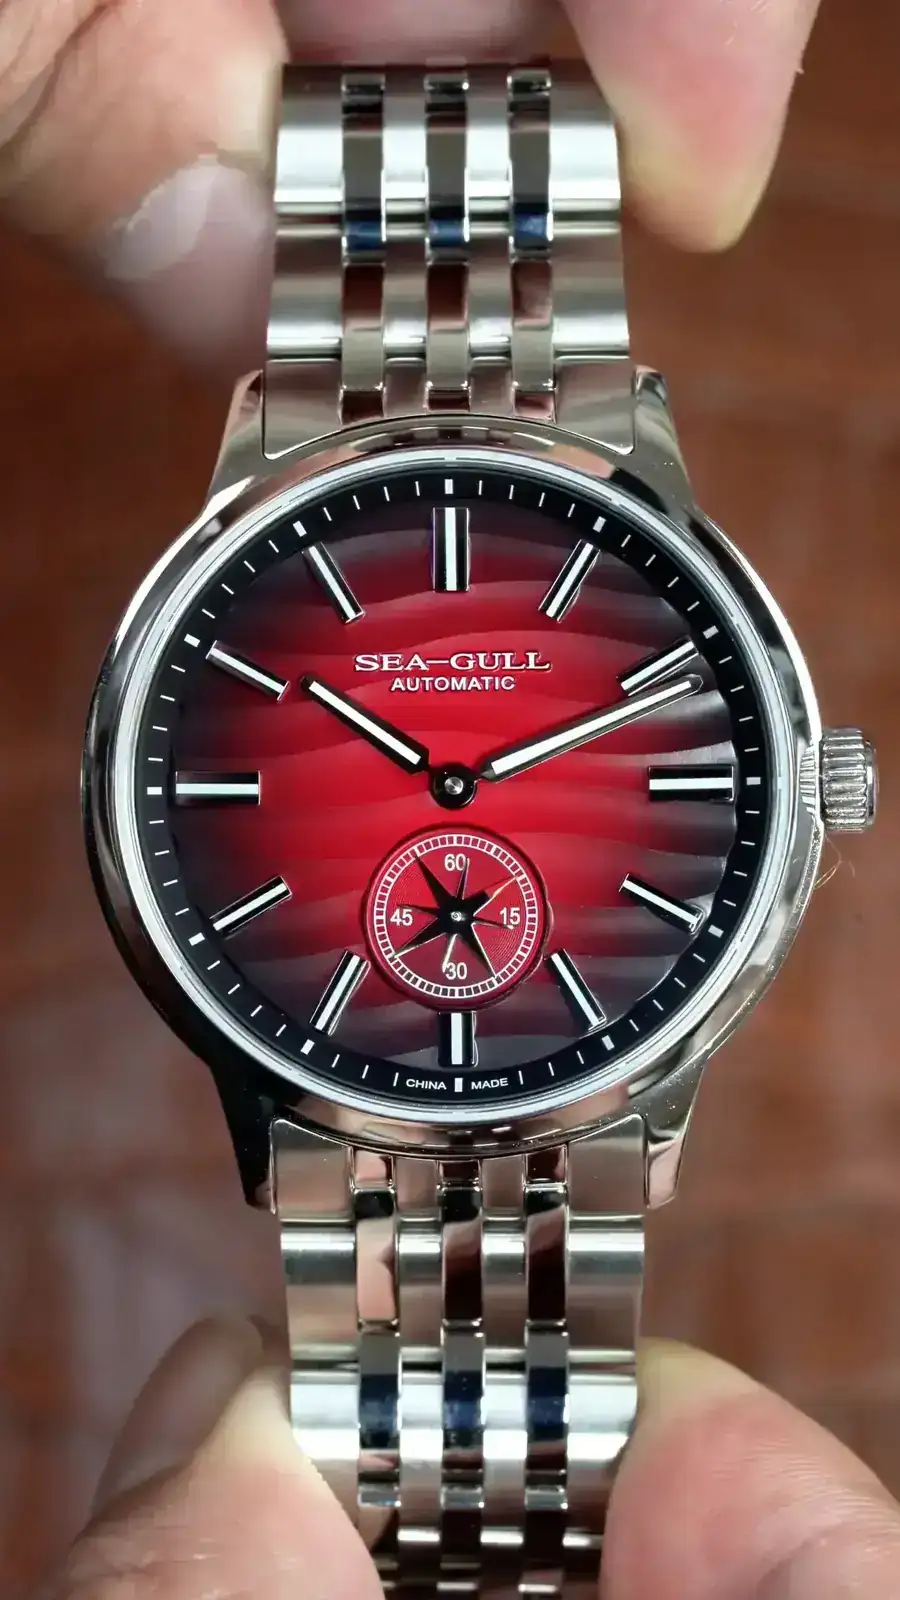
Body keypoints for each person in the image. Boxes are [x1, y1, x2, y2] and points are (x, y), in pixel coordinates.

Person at [7, 3, 899, 1596]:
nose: (461, 779)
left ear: (810, 794)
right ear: (824, 791)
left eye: (467, 775)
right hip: (357, 1069)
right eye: (449, 775)